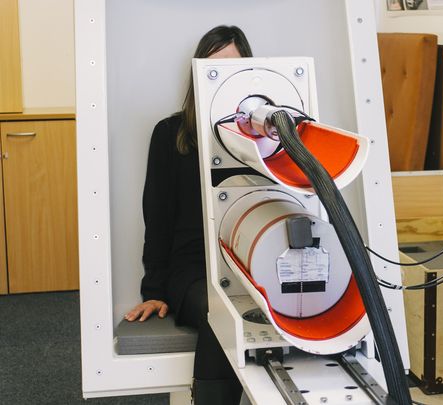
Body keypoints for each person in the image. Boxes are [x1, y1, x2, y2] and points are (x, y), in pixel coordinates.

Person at [124, 25, 253, 405]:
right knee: (223, 314)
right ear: (198, 73)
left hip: (249, 266)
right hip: (194, 272)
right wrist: (155, 291)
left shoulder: (265, 137)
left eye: (231, 68)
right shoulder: (170, 134)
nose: (221, 79)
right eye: (212, 68)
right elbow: (158, 220)